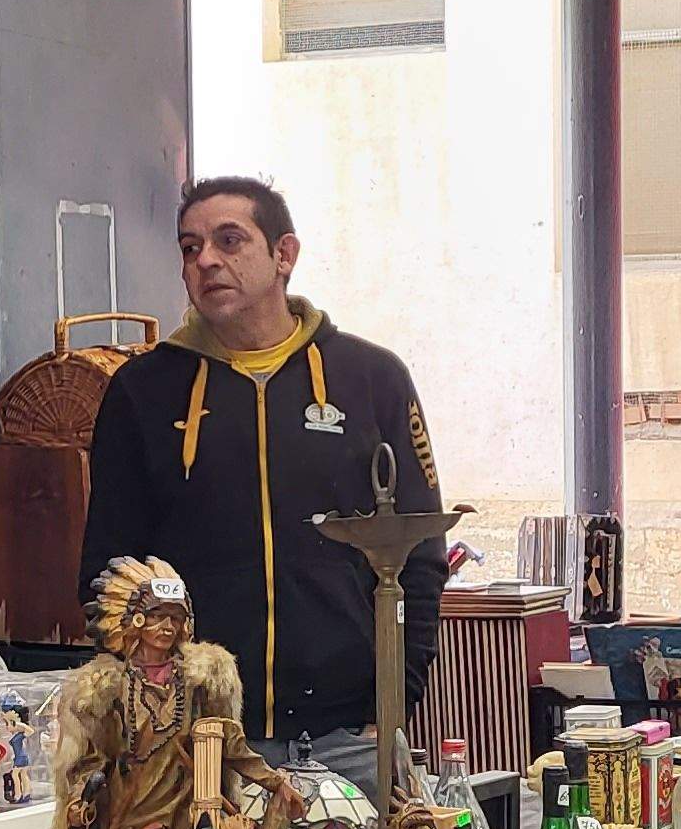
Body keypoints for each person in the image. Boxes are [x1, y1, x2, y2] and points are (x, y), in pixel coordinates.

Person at [81, 176, 447, 790]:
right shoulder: (141, 392)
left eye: (229, 240)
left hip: (351, 741)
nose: (206, 261)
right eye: (190, 247)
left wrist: (390, 705)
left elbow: (422, 555)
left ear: (285, 255)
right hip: (197, 744)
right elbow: (109, 572)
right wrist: (151, 707)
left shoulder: (372, 378)